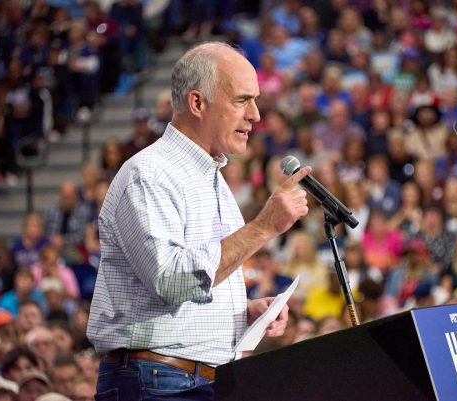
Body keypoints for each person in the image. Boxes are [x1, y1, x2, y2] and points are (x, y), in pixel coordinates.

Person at [87, 42, 311, 400]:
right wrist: (264, 226)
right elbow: (174, 281)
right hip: (158, 382)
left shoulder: (211, 178)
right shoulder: (150, 174)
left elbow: (198, 284)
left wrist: (241, 313)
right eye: (242, 100)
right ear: (197, 103)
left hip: (198, 379)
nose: (255, 115)